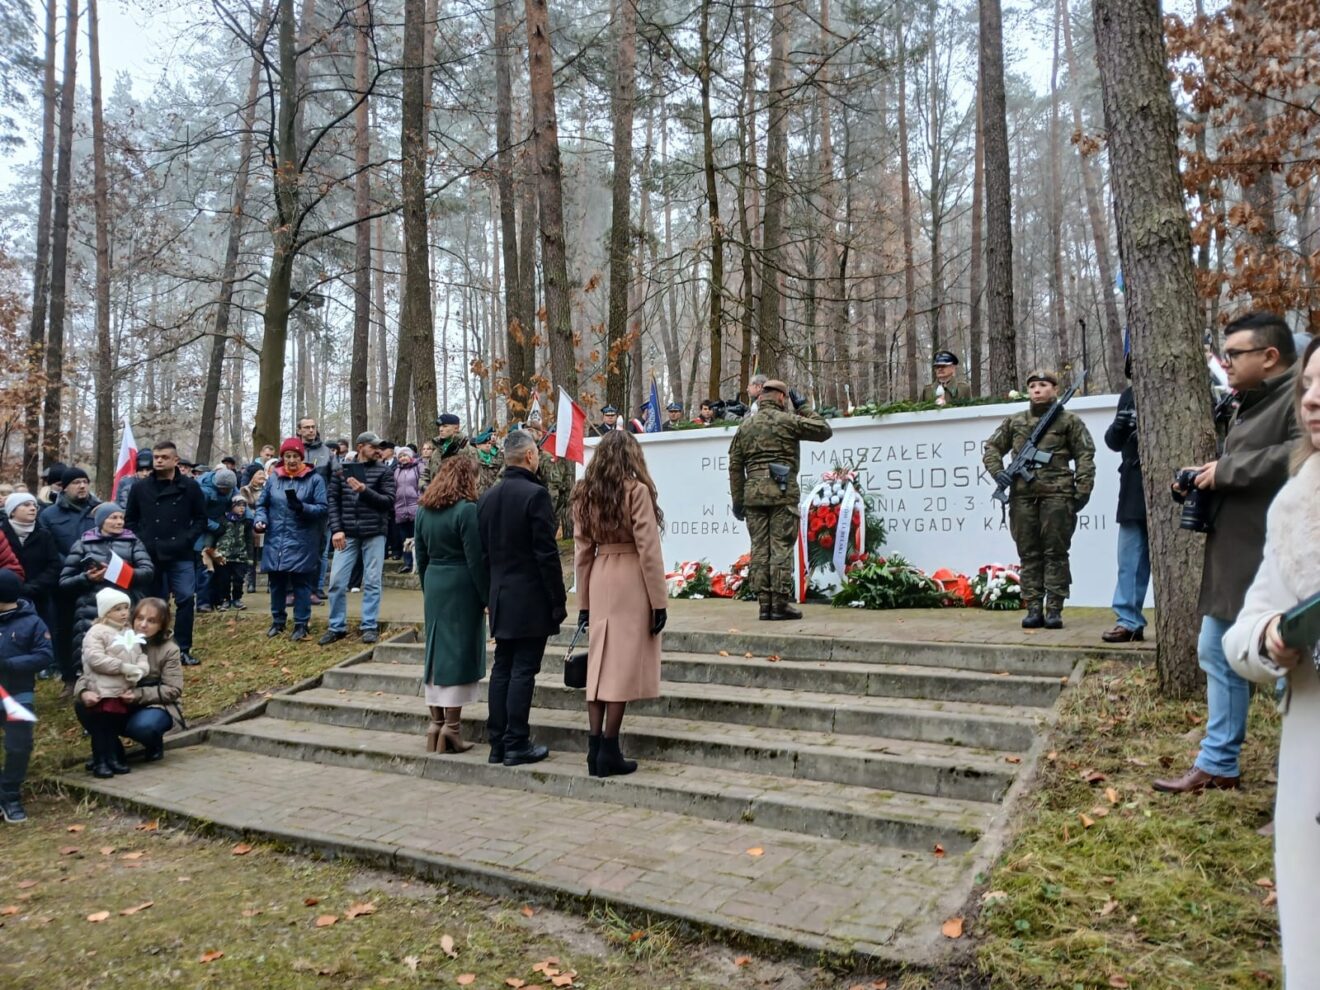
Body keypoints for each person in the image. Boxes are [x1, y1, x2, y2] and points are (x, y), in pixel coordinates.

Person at [1155, 312, 1301, 794]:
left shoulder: (1301, 398)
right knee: (1216, 653)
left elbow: (1297, 455)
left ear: (1270, 356)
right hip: (1234, 557)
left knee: (1291, 669)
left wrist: (1228, 471)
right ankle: (1218, 763)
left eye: (1235, 353)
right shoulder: (1252, 402)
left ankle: (1298, 779)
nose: (1227, 362)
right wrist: (1207, 475)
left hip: (1280, 561)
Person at [1223, 335, 1320, 989]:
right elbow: (1243, 631)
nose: (1313, 401)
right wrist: (1271, 639)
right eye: (1309, 387)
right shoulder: (1296, 506)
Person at [571, 431, 667, 777]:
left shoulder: (584, 493)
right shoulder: (636, 491)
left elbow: (582, 553)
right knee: (621, 666)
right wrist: (659, 601)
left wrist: (583, 602)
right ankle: (609, 748)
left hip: (599, 575)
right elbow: (648, 550)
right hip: (630, 577)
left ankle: (594, 747)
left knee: (598, 667)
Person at [477, 429, 566, 766]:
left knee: (503, 668)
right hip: (529, 598)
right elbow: (546, 554)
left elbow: (483, 554)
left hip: (500, 595)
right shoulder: (535, 496)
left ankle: (497, 742)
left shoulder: (487, 497)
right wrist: (557, 601)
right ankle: (516, 741)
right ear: (530, 456)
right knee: (522, 670)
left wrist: (489, 593)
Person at [982, 370, 1096, 630]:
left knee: (1055, 552)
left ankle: (1054, 609)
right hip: (1022, 497)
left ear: (1054, 389)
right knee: (1029, 554)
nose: (1037, 390)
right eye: (1032, 385)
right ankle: (1033, 607)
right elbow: (992, 448)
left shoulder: (1069, 421)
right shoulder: (1015, 421)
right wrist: (999, 473)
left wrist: (1083, 489)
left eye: (1043, 385)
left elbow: (1085, 455)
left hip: (1058, 495)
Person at [728, 380, 833, 621]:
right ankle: (780, 604)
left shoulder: (745, 426)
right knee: (781, 548)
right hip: (781, 492)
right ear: (781, 398)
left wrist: (738, 500)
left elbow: (735, 466)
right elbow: (823, 430)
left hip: (753, 495)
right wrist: (803, 406)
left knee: (760, 549)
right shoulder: (787, 421)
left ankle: (764, 605)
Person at [415, 457, 488, 754]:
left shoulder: (423, 510)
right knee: (458, 652)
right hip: (461, 583)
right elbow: (476, 558)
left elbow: (420, 556)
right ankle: (452, 729)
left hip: (434, 581)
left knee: (435, 652)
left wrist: (427, 586)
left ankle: (435, 725)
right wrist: (486, 596)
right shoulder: (466, 510)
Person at [75, 596, 184, 769]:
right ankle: (110, 752)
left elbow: (173, 689)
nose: (143, 625)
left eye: (152, 621)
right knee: (84, 705)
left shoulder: (169, 650)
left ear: (162, 624)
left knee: (143, 727)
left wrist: (138, 695)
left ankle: (153, 742)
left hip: (154, 704)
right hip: (116, 696)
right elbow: (92, 669)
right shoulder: (115, 636)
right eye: (140, 618)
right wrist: (83, 692)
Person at [124, 441, 207, 666]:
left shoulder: (190, 487)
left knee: (186, 599)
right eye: (156, 456)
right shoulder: (140, 487)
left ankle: (182, 648)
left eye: (163, 457)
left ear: (175, 460)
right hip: (151, 554)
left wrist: (187, 539)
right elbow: (130, 520)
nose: (158, 460)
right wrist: (145, 541)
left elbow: (200, 519)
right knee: (154, 603)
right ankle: (153, 648)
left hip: (181, 553)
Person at [58, 502, 156, 675]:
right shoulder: (82, 544)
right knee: (92, 647)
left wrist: (122, 572)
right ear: (101, 521)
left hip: (127, 601)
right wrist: (87, 578)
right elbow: (65, 581)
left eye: (121, 518)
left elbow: (148, 572)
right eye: (113, 518)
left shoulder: (133, 542)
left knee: (126, 649)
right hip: (91, 605)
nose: (119, 522)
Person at [321, 432, 395, 646]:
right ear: (361, 447)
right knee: (336, 582)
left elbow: (388, 502)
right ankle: (336, 627)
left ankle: (369, 625)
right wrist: (336, 529)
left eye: (380, 447)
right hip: (347, 534)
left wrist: (364, 491)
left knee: (372, 581)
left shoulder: (385, 471)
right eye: (374, 447)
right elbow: (332, 500)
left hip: (374, 534)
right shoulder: (340, 471)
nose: (378, 451)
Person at [255, 438, 328, 641]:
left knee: (301, 584)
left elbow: (323, 508)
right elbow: (262, 505)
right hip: (276, 539)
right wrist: (260, 520)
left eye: (296, 456)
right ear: (283, 458)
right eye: (288, 456)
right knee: (277, 583)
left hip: (302, 540)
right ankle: (278, 621)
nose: (292, 460)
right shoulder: (274, 479)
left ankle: (301, 624)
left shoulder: (314, 479)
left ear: (302, 458)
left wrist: (302, 507)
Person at [38, 465, 100, 691]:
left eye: (85, 481)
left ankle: (93, 676)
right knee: (63, 630)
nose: (82, 486)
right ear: (64, 488)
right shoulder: (49, 515)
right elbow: (49, 549)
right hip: (64, 582)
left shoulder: (98, 510)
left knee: (96, 629)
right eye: (76, 482)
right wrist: (74, 567)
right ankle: (68, 678)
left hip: (97, 580)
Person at [77, 588, 150, 778]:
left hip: (120, 690)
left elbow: (139, 653)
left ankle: (114, 759)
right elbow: (95, 659)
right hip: (102, 690)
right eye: (118, 609)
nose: (124, 613)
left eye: (126, 607)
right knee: (101, 729)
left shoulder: (128, 632)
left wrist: (140, 669)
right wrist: (123, 667)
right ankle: (101, 761)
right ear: (106, 612)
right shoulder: (96, 632)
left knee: (112, 728)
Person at [0, 568, 53, 823]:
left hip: (19, 694)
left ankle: (10, 795)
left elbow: (44, 655)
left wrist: (10, 664)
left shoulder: (32, 622)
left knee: (19, 746)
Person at [1102, 356, 1149, 642]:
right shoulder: (1128, 396)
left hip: (1173, 486)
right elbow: (1112, 442)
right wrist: (1120, 425)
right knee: (1130, 559)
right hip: (1133, 485)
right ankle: (1129, 620)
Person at [2, 493, 59, 654]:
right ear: (12, 511)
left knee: (42, 630)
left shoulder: (44, 534)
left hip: (40, 595)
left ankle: (43, 664)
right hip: (6, 596)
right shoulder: (2, 534)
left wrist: (34, 586)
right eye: (26, 505)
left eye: (34, 505)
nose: (32, 508)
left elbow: (54, 565)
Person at [297, 417, 340, 603]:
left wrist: (331, 501)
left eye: (313, 427)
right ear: (299, 430)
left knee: (320, 551)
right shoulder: (292, 452)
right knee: (297, 548)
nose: (310, 430)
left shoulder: (326, 453)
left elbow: (338, 478)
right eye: (306, 427)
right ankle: (295, 590)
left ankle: (316, 589)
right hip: (296, 509)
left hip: (322, 509)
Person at [195, 466, 239, 613]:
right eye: (222, 489)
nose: (225, 492)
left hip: (221, 528)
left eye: (228, 490)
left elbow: (239, 502)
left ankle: (217, 600)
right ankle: (203, 602)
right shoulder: (203, 490)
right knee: (205, 566)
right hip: (203, 530)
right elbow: (197, 515)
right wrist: (214, 526)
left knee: (220, 566)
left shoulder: (232, 488)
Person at [213, 494, 254, 611]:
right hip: (224, 556)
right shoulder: (222, 520)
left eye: (244, 506)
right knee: (223, 579)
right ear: (232, 506)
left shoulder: (246, 522)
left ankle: (237, 598)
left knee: (239, 579)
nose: (242, 508)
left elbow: (249, 539)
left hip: (240, 556)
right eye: (239, 506)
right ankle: (224, 599)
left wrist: (250, 557)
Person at [422, 414, 474, 487]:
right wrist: (426, 488)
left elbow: (474, 477)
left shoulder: (467, 450)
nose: (440, 429)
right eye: (440, 426)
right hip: (436, 496)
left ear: (456, 428)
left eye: (445, 426)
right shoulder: (437, 450)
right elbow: (426, 473)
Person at [392, 447, 422, 571]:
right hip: (400, 508)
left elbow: (422, 484)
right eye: (400, 456)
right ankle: (407, 563)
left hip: (415, 506)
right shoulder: (397, 471)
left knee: (417, 537)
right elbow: (394, 487)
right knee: (405, 538)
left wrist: (421, 499)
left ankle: (419, 563)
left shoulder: (418, 467)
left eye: (405, 455)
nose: (403, 458)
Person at [240, 467, 267, 592]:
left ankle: (270, 584)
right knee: (252, 555)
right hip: (251, 525)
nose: (262, 476)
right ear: (252, 476)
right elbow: (245, 507)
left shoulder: (268, 489)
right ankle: (251, 583)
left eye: (263, 473)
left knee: (267, 554)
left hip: (267, 525)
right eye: (259, 474)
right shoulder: (245, 490)